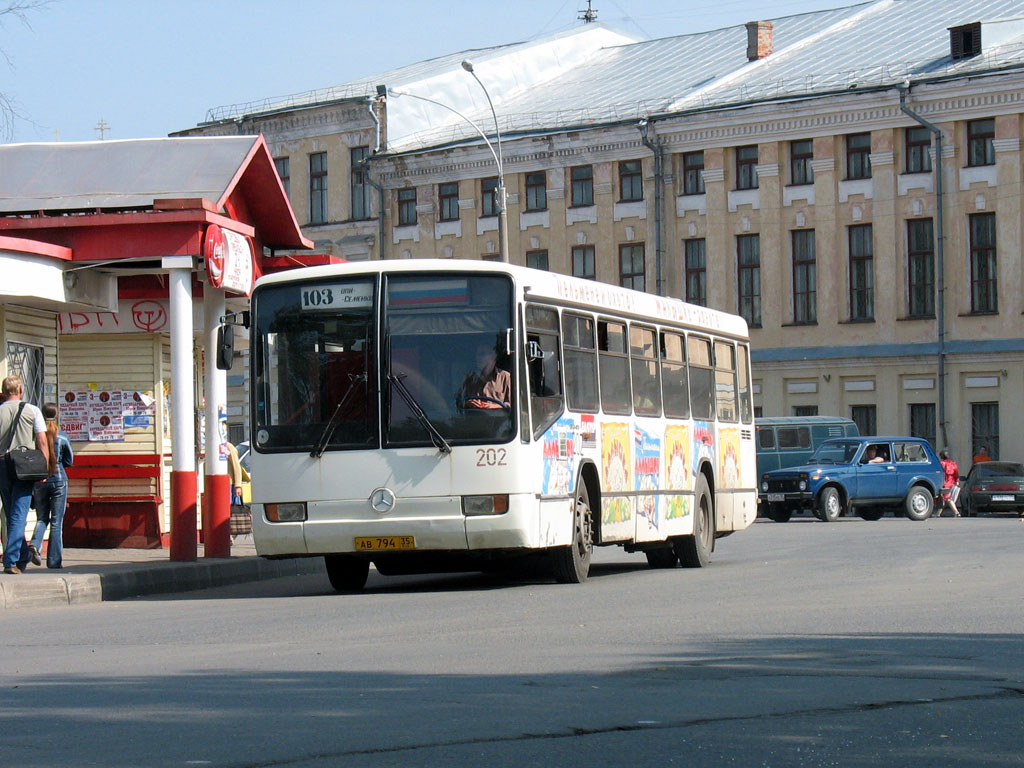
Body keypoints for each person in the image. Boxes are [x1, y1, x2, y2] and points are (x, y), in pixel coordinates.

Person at [0, 375, 49, 575]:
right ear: (20, 390)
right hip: (24, 466)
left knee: (11, 511)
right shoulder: (33, 410)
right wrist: (43, 467)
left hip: (2, 464)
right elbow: (42, 441)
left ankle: (21, 557)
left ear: (4, 392)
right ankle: (10, 560)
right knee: (19, 513)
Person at [28, 403, 73, 569]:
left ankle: (34, 544)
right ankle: (54, 561)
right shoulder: (62, 436)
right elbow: (69, 460)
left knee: (41, 518)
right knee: (56, 522)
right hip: (59, 480)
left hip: (40, 480)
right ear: (57, 415)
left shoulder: (37, 435)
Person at [456, 343, 511, 410]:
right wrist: (468, 403)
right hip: (474, 419)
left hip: (501, 419)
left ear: (493, 356)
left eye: (482, 354)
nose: (478, 358)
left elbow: (515, 405)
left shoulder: (505, 377)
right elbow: (458, 403)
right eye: (477, 355)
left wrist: (496, 406)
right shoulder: (470, 379)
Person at [938, 448, 960, 518]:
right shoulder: (953, 463)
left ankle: (956, 512)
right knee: (943, 498)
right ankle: (938, 513)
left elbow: (940, 474)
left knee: (947, 497)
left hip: (945, 482)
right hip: (951, 482)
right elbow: (956, 473)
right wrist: (957, 481)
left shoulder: (942, 464)